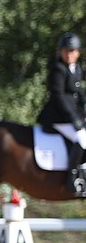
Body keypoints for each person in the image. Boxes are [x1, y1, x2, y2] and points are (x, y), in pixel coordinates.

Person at [37, 31, 86, 196]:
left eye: (72, 51)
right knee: (82, 139)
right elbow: (59, 97)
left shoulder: (76, 68)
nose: (69, 54)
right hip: (58, 117)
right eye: (66, 51)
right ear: (61, 52)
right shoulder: (58, 69)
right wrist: (75, 120)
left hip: (71, 116)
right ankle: (70, 179)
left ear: (78, 53)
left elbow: (78, 93)